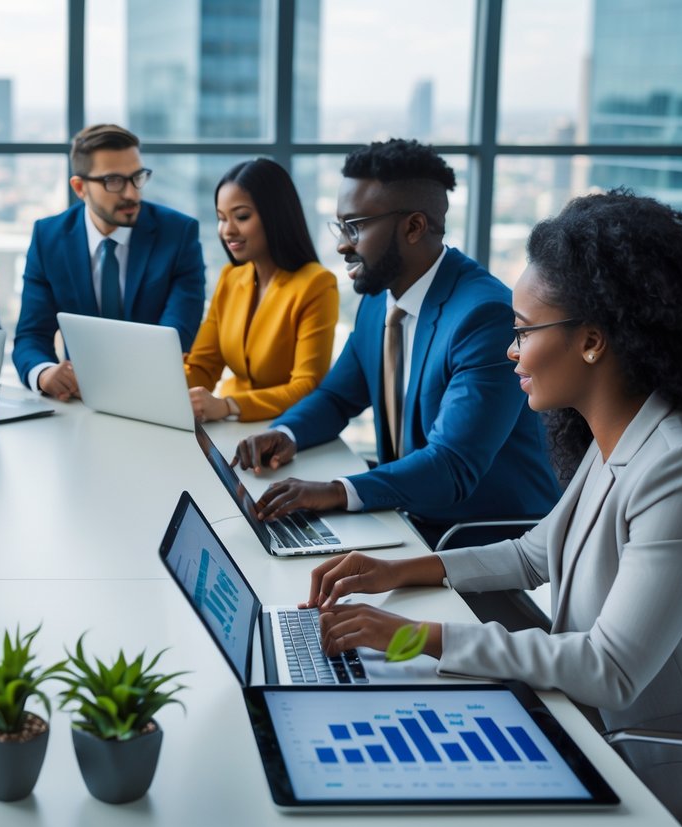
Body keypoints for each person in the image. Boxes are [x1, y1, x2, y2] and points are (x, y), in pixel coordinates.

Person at [304, 189, 682, 825]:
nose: (511, 351)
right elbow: (535, 553)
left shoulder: (671, 463)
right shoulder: (618, 434)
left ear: (592, 341)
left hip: (637, 760)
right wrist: (395, 570)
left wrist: (406, 636)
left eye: (523, 332)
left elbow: (608, 670)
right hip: (576, 717)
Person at [234, 139, 560, 544]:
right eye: (340, 226)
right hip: (409, 514)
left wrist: (335, 491)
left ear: (413, 227)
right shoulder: (381, 298)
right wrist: (286, 434)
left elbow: (451, 466)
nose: (341, 245)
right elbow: (339, 397)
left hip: (479, 534)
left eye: (355, 226)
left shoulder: (484, 317)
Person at [12, 124, 206, 400]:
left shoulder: (178, 234)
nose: (131, 193)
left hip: (154, 397)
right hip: (79, 404)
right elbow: (31, 336)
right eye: (114, 181)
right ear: (80, 188)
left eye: (137, 177)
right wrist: (45, 374)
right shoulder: (48, 238)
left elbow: (177, 333)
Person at [184, 158, 338, 423]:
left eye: (241, 217)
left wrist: (229, 405)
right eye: (222, 219)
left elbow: (307, 386)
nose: (227, 231)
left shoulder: (317, 284)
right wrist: (154, 389)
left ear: (274, 215)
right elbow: (203, 366)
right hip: (229, 426)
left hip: (283, 427)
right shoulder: (231, 277)